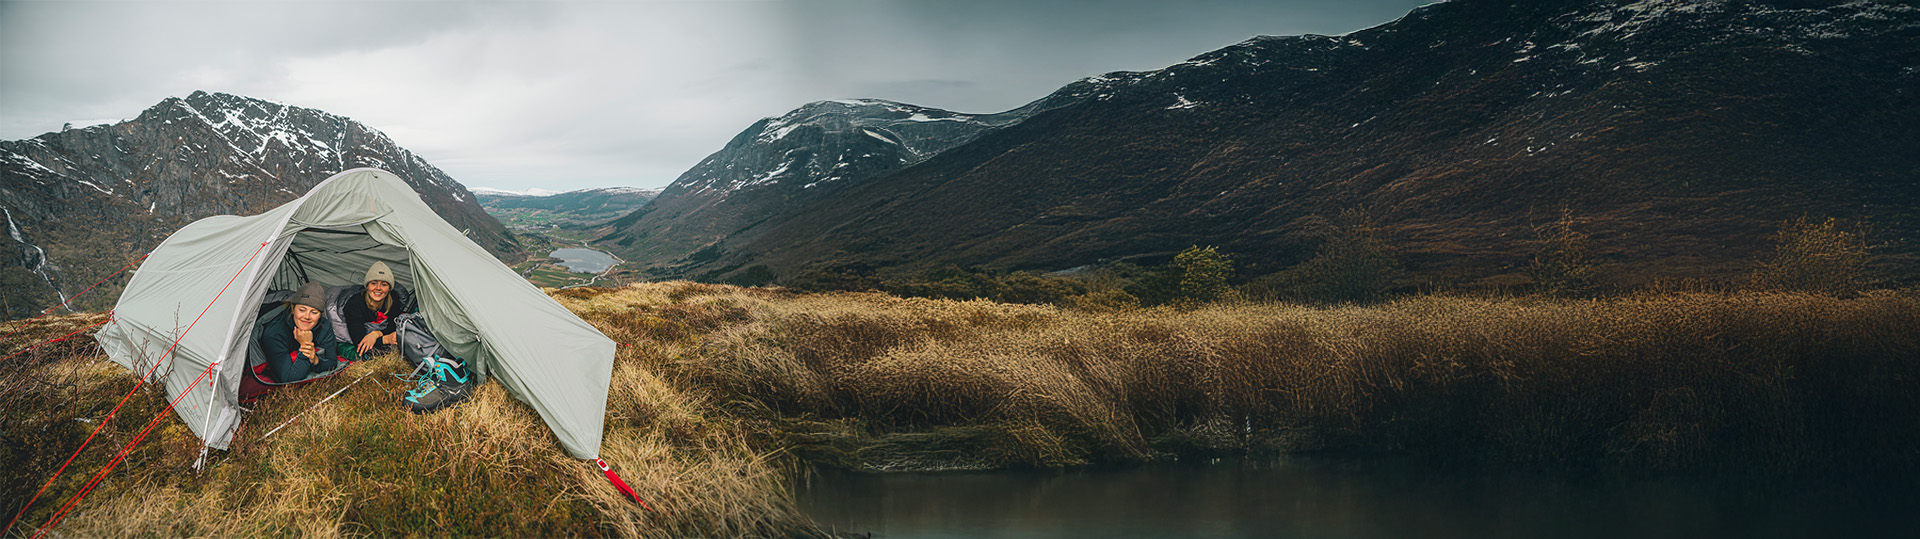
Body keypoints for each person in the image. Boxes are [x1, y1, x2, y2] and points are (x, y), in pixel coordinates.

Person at [256, 282, 343, 383]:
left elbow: (332, 363)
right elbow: (289, 379)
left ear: (320, 315)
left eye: (314, 312)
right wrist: (305, 346)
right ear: (293, 309)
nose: (307, 316)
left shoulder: (324, 326)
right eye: (302, 310)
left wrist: (315, 360)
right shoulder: (274, 334)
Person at [337, 261, 412, 359]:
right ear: (367, 286)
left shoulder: (393, 299)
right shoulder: (354, 304)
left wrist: (376, 334)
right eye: (373, 283)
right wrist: (385, 339)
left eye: (384, 284)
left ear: (389, 288)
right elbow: (359, 341)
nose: (378, 288)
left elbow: (393, 325)